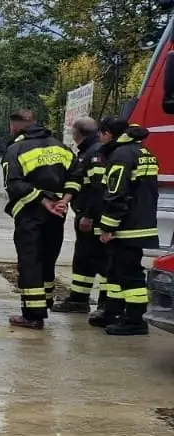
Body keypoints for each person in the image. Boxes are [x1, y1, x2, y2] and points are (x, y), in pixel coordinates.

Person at [2, 108, 73, 329]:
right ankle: (46, 301)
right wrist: (64, 200)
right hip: (57, 214)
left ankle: (33, 315)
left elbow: (14, 184)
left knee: (30, 262)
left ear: (14, 126)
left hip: (31, 214)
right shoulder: (61, 146)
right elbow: (77, 176)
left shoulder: (16, 149)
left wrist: (43, 200)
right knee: (48, 258)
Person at [91, 115, 161, 335]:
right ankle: (113, 311)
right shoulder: (143, 152)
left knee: (130, 273)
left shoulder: (121, 155)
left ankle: (135, 320)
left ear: (109, 134)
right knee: (116, 270)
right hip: (139, 222)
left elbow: (116, 194)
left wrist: (108, 227)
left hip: (127, 226)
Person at [55, 116, 106, 314]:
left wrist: (89, 215)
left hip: (91, 217)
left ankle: (92, 302)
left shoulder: (94, 154)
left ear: (78, 134)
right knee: (84, 258)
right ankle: (79, 299)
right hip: (87, 214)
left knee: (94, 258)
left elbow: (97, 189)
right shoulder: (90, 151)